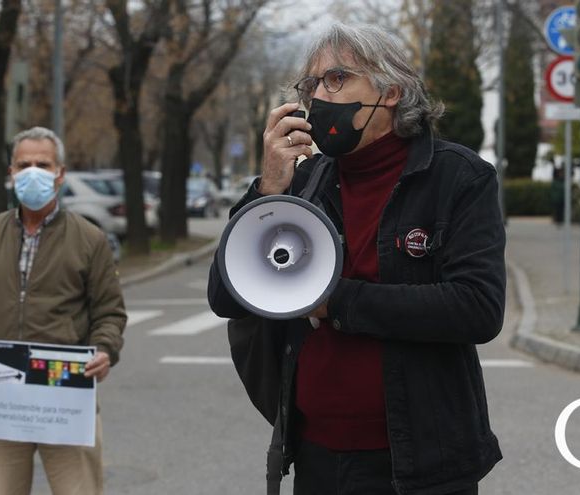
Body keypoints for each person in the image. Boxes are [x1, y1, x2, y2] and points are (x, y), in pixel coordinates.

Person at [208, 24, 505, 495]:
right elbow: (226, 296)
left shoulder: (458, 177)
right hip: (317, 458)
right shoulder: (304, 182)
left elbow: (478, 308)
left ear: (391, 91)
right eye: (310, 85)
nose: (317, 97)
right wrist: (267, 190)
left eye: (336, 79)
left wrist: (336, 302)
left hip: (422, 464)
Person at [0, 127, 126, 495]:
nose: (33, 173)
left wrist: (105, 349)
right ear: (11, 173)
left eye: (43, 164)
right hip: (0, 395)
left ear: (60, 173)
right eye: (24, 165)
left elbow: (109, 311)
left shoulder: (89, 240)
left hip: (65, 393)